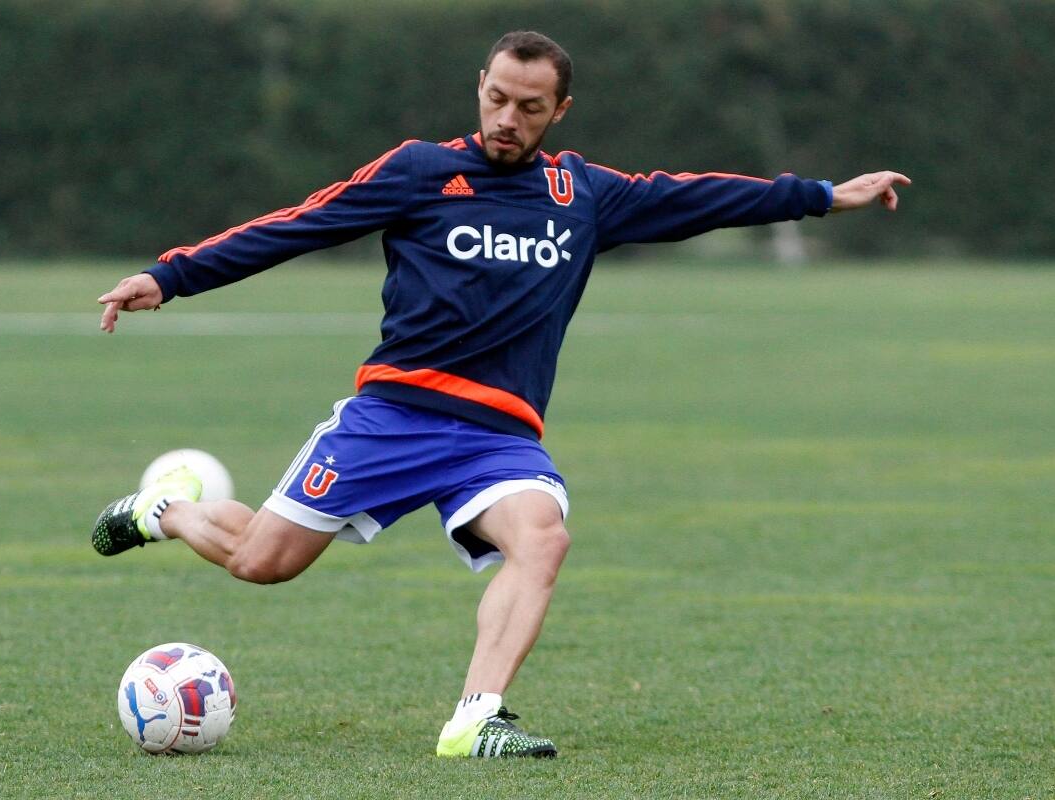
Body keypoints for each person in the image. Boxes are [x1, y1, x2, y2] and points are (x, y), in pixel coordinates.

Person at [91, 30, 910, 759]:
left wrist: (822, 196)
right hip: (394, 417)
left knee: (542, 539)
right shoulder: (420, 171)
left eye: (529, 107)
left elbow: (696, 198)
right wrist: (172, 276)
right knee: (261, 562)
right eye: (497, 98)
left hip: (497, 437)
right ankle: (164, 509)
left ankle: (475, 719)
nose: (507, 119)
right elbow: (297, 224)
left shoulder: (583, 195)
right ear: (480, 85)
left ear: (560, 110)